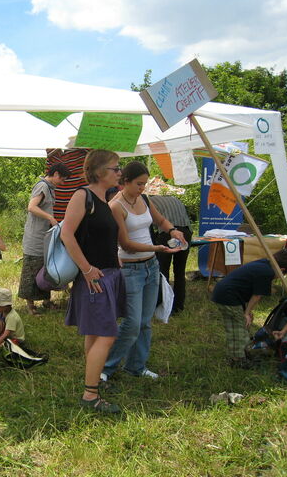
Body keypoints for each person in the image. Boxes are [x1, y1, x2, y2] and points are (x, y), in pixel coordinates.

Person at [102, 162, 185, 383]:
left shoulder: (145, 199)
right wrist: (157, 248)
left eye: (144, 184)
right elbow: (126, 244)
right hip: (130, 269)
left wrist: (173, 230)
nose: (142, 188)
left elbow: (160, 220)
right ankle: (106, 367)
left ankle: (136, 366)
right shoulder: (115, 206)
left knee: (145, 322)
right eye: (138, 184)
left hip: (151, 266)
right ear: (125, 181)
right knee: (132, 323)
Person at [60, 149, 126, 414]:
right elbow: (66, 234)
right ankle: (90, 395)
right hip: (94, 278)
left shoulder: (104, 198)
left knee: (95, 333)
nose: (120, 172)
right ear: (99, 171)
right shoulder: (82, 195)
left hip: (107, 274)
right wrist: (86, 269)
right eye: (115, 168)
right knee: (107, 334)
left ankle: (94, 379)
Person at [211, 249, 287, 368]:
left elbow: (248, 288)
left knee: (235, 325)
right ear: (282, 270)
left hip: (224, 293)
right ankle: (238, 360)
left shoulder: (265, 263)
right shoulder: (267, 272)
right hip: (229, 296)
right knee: (239, 328)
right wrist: (246, 313)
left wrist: (247, 311)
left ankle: (239, 354)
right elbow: (257, 295)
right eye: (284, 275)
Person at [18, 163, 71, 315]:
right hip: (35, 237)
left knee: (45, 269)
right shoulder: (42, 186)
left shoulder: (50, 188)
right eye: (62, 179)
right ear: (56, 174)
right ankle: (30, 306)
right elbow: (32, 207)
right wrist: (50, 218)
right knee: (32, 270)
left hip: (44, 236)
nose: (62, 183)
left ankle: (46, 301)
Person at [150, 194, 193, 314]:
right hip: (186, 232)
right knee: (180, 271)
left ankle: (163, 305)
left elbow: (149, 225)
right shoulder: (174, 198)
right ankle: (179, 306)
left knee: (163, 271)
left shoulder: (148, 201)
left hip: (168, 233)